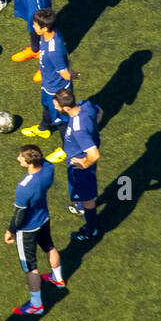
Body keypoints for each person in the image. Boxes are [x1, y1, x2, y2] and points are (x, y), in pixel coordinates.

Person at [4, 144, 65, 316]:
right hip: (43, 217)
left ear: (29, 162)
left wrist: (11, 231)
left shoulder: (24, 187)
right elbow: (44, 161)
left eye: (21, 157)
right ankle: (58, 278)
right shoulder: (48, 168)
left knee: (31, 268)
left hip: (28, 228)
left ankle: (36, 305)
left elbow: (19, 215)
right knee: (50, 246)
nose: (18, 159)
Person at [55, 88, 104, 242]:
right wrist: (94, 130)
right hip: (78, 158)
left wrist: (84, 164)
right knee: (81, 194)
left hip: (82, 167)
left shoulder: (79, 129)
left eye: (57, 106)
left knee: (87, 197)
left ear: (67, 108)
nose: (55, 108)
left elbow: (94, 154)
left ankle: (91, 230)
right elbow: (100, 111)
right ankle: (82, 207)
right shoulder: (85, 105)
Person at [21, 8, 73, 138]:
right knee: (45, 106)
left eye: (35, 25)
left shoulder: (54, 50)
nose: (33, 27)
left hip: (56, 89)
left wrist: (75, 75)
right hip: (48, 83)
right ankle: (43, 128)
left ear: (44, 28)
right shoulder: (48, 35)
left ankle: (66, 149)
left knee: (61, 120)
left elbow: (66, 75)